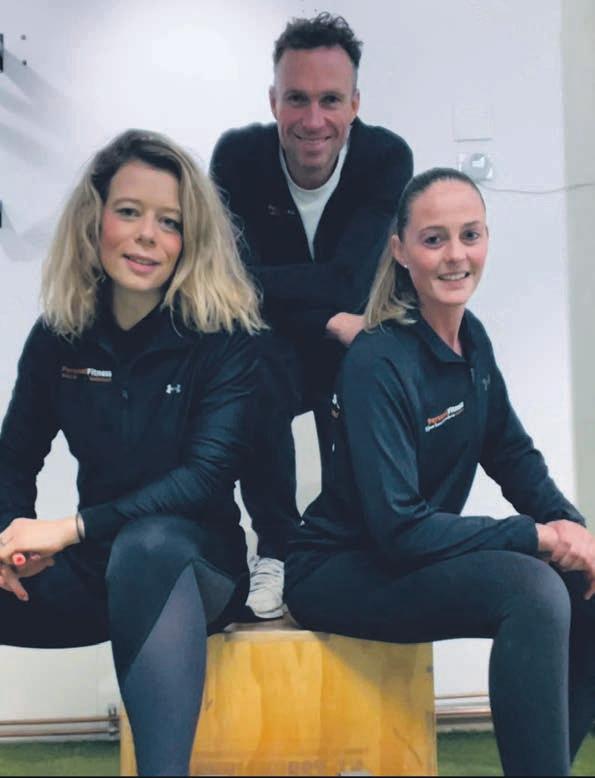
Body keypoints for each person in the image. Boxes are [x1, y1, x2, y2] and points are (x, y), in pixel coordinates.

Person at [285, 167, 595, 775]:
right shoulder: (377, 360)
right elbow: (399, 528)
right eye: (434, 239)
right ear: (401, 251)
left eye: (470, 235)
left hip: (406, 556)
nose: (455, 255)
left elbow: (513, 456)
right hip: (338, 570)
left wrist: (574, 530)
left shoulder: (470, 340)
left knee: (583, 587)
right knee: (530, 589)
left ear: (486, 240)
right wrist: (537, 536)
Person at [0, 129, 264, 776]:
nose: (148, 235)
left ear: (189, 239)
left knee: (147, 546)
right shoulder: (60, 333)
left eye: (169, 221)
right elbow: (14, 458)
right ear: (95, 221)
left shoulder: (224, 337)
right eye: (129, 212)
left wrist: (70, 527)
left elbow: (202, 479)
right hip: (96, 569)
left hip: (192, 570)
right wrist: (8, 543)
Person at [210, 12, 413, 619]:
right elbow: (230, 282)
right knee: (252, 362)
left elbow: (352, 280)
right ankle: (275, 547)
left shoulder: (386, 157)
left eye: (330, 100)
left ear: (355, 104)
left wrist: (283, 291)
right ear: (274, 101)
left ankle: (346, 548)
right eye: (297, 99)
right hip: (280, 345)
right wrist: (326, 313)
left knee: (370, 363)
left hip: (356, 340)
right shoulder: (237, 157)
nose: (313, 119)